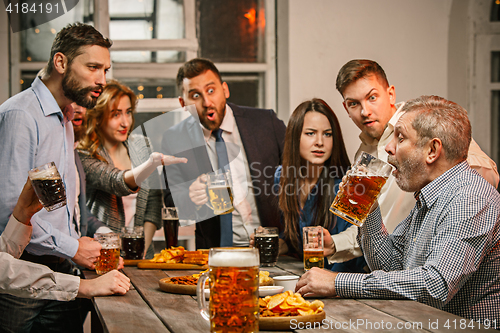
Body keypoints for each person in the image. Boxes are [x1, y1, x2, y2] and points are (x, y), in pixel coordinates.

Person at [296, 95, 500, 323]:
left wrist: (337, 282)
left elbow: (435, 286)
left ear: (432, 150)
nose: (389, 148)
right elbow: (390, 264)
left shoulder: (469, 197)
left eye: (400, 138)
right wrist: (370, 210)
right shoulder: (428, 196)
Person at [326, 59, 500, 265]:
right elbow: (364, 219)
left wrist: (449, 219)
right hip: (387, 263)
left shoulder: (424, 124)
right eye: (354, 104)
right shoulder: (364, 152)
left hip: (434, 266)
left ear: (390, 94)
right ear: (346, 108)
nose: (365, 111)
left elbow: (483, 174)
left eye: (372, 97)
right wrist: (335, 244)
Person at [0, 22, 112, 333]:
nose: (102, 80)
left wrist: (80, 246)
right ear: (61, 62)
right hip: (21, 277)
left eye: (105, 70)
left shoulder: (65, 118)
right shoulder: (21, 116)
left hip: (63, 272)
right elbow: (13, 213)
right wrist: (74, 247)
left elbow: (63, 206)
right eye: (93, 67)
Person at [162, 58, 286, 249]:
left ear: (225, 90)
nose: (206, 101)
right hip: (215, 254)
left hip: (275, 250)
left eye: (211, 91)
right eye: (195, 95)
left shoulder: (266, 122)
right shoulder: (175, 139)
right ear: (183, 103)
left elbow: (299, 175)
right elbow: (171, 202)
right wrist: (189, 197)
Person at [78, 80, 186, 258]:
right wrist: (152, 164)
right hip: (101, 256)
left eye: (128, 112)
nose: (125, 122)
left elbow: (153, 202)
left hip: (142, 255)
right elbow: (116, 181)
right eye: (115, 114)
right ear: (98, 117)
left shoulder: (141, 145)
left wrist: (142, 247)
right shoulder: (85, 153)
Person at [272, 98, 366, 272]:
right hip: (305, 278)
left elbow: (355, 249)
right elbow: (295, 238)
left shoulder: (347, 184)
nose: (320, 142)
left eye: (328, 134)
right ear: (295, 137)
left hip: (342, 283)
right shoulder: (282, 177)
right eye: (310, 133)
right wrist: (280, 244)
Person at [1, 178, 130, 301]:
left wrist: (23, 214)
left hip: (63, 266)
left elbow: (3, 254)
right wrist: (85, 286)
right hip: (31, 266)